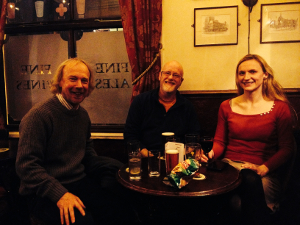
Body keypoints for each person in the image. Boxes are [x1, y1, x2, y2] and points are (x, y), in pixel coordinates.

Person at [16, 58, 137, 225]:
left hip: (77, 182)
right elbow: (26, 167)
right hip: (42, 191)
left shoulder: (82, 115)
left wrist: (108, 170)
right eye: (73, 79)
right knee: (83, 221)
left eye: (84, 81)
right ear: (60, 81)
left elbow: (86, 150)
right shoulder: (38, 116)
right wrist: (60, 194)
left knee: (120, 210)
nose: (79, 85)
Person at [202, 54, 294, 224]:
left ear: (265, 74)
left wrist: (264, 168)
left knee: (248, 184)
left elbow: (287, 148)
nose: (246, 77)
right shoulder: (226, 106)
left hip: (263, 171)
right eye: (241, 73)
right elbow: (220, 142)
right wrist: (211, 155)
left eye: (252, 71)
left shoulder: (280, 108)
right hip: (229, 167)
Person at [124, 60, 201, 157]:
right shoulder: (140, 101)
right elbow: (130, 135)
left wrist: (187, 153)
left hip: (178, 162)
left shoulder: (187, 107)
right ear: (159, 76)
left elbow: (194, 136)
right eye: (167, 73)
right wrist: (147, 155)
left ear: (181, 81)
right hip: (146, 160)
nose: (170, 77)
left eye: (176, 75)